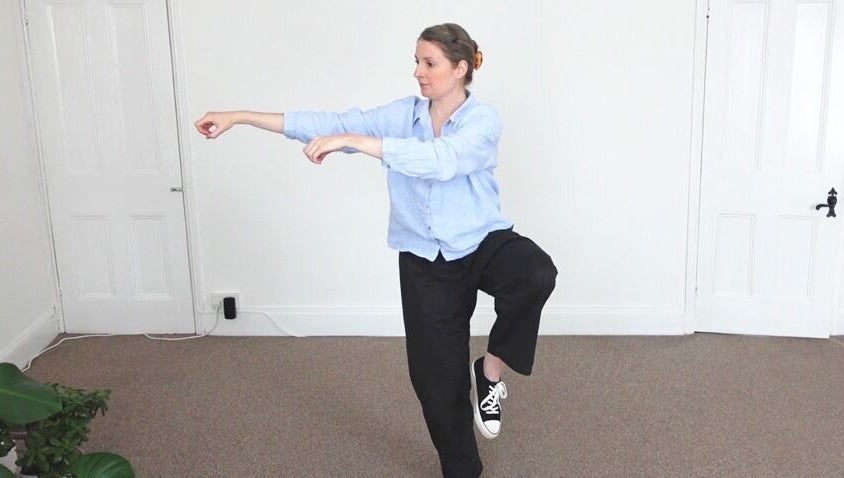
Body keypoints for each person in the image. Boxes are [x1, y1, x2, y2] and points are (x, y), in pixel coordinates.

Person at [195, 22, 557, 478]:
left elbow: (443, 161)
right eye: (416, 61)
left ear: (460, 68)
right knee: (435, 384)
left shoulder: (483, 120)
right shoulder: (402, 116)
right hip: (424, 258)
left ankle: (490, 371)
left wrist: (358, 143)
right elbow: (328, 124)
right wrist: (239, 116)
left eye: (429, 63)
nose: (418, 72)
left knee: (535, 273)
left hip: (481, 240)